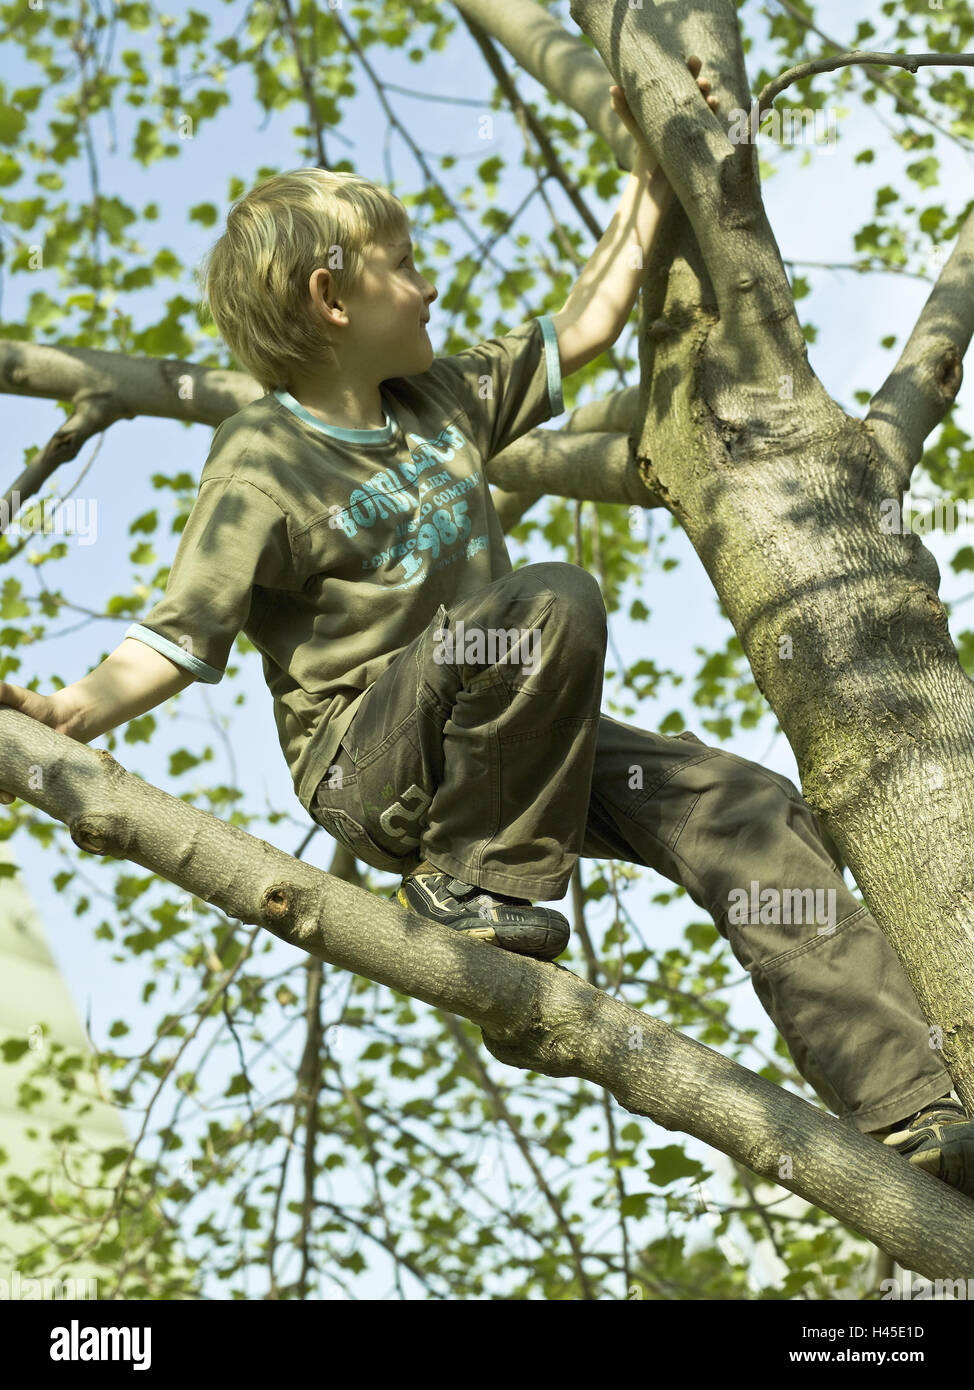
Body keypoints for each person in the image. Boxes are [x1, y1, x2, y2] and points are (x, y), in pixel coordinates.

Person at [2, 75, 971, 1197]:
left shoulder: (443, 402)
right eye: (399, 265)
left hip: (516, 728)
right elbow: (176, 634)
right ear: (328, 297)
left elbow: (589, 318)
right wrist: (67, 715)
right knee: (549, 601)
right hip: (374, 759)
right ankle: (473, 886)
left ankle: (910, 1111)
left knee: (738, 806)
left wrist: (649, 162)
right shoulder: (258, 461)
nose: (426, 284)